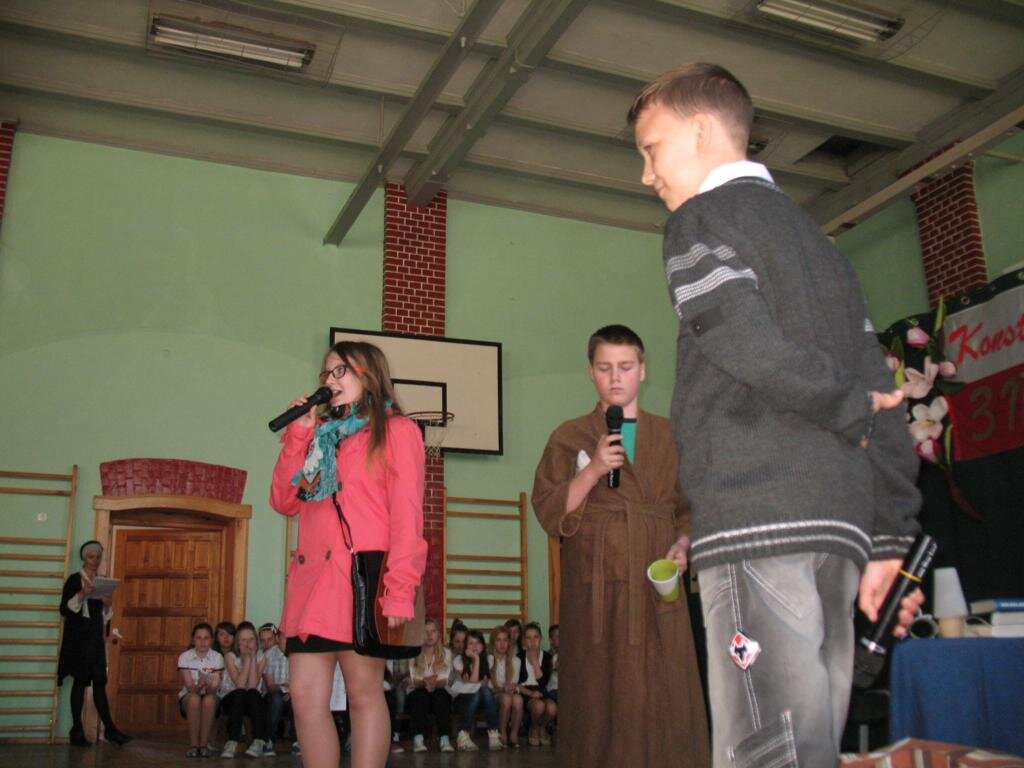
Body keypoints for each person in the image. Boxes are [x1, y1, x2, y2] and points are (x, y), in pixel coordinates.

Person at [627, 63, 925, 768]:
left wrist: (845, 408)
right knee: (809, 749)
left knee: (766, 752)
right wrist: (890, 536)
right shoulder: (824, 248)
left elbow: (747, 344)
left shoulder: (700, 220)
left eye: (651, 149)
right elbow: (882, 396)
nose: (646, 174)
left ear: (701, 131)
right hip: (842, 530)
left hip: (757, 523)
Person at [532, 325, 710, 767]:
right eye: (604, 368)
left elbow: (690, 507)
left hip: (656, 584)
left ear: (643, 371)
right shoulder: (569, 435)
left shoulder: (670, 435)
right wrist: (593, 469)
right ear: (590, 373)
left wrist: (683, 544)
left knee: (665, 690)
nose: (615, 378)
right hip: (597, 591)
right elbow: (549, 510)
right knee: (600, 695)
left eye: (625, 367)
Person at [269, 340, 427, 768]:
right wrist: (299, 433)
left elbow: (407, 518)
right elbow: (283, 501)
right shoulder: (318, 437)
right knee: (304, 697)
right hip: (311, 588)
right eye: (326, 372)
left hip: (360, 581)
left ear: (369, 376)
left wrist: (400, 592)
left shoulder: (397, 431)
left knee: (363, 693)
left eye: (341, 371)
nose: (330, 380)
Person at [57, 540, 132, 747]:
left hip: (94, 640)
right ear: (84, 558)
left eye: (98, 557)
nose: (95, 560)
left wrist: (107, 605)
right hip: (78, 640)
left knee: (99, 683)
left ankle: (110, 729)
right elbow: (64, 609)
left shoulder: (102, 581)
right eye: (91, 557)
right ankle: (76, 730)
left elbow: (105, 617)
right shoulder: (75, 580)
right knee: (79, 683)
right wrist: (83, 594)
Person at [219, 621, 268, 758]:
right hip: (231, 699)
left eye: (251, 639)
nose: (247, 643)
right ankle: (232, 742)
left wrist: (252, 659)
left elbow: (252, 685)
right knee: (240, 693)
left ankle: (258, 741)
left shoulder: (262, 658)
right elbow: (240, 685)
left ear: (256, 642)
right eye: (243, 640)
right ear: (237, 643)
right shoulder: (230, 657)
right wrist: (246, 660)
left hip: (251, 700)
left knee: (253, 693)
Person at [448, 629, 503, 751]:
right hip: (461, 699)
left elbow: (474, 683)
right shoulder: (458, 660)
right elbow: (473, 683)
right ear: (465, 646)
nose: (474, 646)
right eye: (471, 643)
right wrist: (476, 659)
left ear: (483, 645)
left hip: (481, 700)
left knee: (485, 691)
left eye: (478, 642)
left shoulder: (489, 658)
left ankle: (492, 735)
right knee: (481, 691)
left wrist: (477, 683)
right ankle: (464, 735)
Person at [406, 618, 454, 753]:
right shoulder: (413, 653)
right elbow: (415, 681)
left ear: (438, 634)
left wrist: (431, 683)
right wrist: (426, 683)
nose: (429, 635)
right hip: (418, 691)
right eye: (425, 632)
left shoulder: (446, 653)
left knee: (441, 696)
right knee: (420, 696)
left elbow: (444, 680)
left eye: (433, 631)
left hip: (438, 690)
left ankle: (444, 738)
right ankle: (418, 739)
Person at [178, 622, 224, 757]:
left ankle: (203, 745)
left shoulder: (217, 657)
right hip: (191, 694)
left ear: (211, 640)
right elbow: (190, 688)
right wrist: (199, 684)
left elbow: (213, 691)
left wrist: (210, 686)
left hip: (210, 695)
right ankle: (194, 745)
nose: (203, 642)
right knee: (194, 699)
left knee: (209, 700)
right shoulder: (185, 657)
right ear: (193, 640)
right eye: (199, 638)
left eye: (206, 638)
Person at [516, 622, 557, 747]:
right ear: (524, 641)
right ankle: (533, 728)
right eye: (528, 638)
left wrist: (535, 662)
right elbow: (515, 683)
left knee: (552, 708)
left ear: (541, 639)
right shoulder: (519, 657)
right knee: (539, 706)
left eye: (535, 637)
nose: (532, 641)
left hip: (541, 690)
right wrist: (530, 693)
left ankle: (542, 727)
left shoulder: (547, 657)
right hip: (525, 691)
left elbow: (543, 682)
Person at [260, 623, 297, 756]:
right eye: (284, 637)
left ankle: (296, 741)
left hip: (294, 692)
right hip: (273, 692)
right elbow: (270, 685)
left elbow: (304, 680)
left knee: (298, 700)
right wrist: (285, 687)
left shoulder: (298, 654)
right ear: (278, 638)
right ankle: (268, 740)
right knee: (276, 699)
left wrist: (292, 691)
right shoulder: (269, 655)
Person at [488, 625, 523, 748]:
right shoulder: (488, 660)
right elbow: (488, 690)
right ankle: (502, 732)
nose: (502, 644)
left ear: (509, 642)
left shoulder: (515, 661)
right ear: (493, 642)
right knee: (507, 698)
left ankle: (514, 733)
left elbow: (513, 684)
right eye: (498, 640)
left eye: (505, 640)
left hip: (508, 693)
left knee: (518, 700)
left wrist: (510, 688)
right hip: (493, 695)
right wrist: (503, 689)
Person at [546, 624, 559, 702]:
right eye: (557, 636)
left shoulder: (569, 654)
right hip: (552, 689)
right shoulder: (547, 656)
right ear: (551, 640)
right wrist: (554, 667)